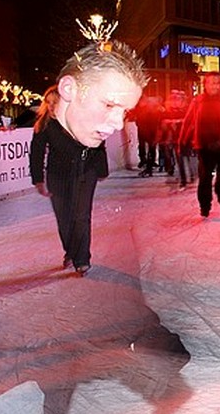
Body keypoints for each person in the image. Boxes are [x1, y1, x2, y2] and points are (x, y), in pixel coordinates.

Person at [29, 41, 148, 275]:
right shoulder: (45, 126)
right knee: (64, 217)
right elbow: (36, 152)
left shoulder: (93, 125)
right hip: (58, 174)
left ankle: (82, 257)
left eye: (123, 111)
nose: (116, 123)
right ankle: (70, 251)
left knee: (82, 215)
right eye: (108, 104)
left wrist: (101, 170)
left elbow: (98, 148)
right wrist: (38, 179)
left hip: (86, 174)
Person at [179, 72, 220, 217]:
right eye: (211, 82)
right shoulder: (197, 101)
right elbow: (188, 122)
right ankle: (205, 206)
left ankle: (219, 190)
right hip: (204, 146)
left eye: (217, 83)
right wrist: (182, 142)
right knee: (205, 177)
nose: (214, 86)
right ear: (205, 84)